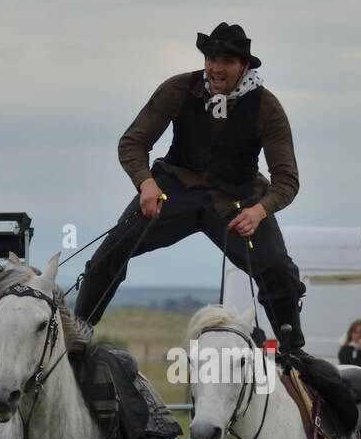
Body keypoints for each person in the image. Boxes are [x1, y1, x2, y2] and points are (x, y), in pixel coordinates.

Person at [73, 23, 317, 370]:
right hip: (176, 187)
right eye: (211, 59)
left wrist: (260, 211)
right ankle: (79, 335)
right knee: (114, 248)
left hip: (237, 198)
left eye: (227, 61)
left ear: (244, 66)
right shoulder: (177, 89)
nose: (216, 68)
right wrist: (145, 183)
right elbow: (133, 142)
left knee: (278, 269)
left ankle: (294, 355)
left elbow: (287, 179)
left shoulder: (266, 108)